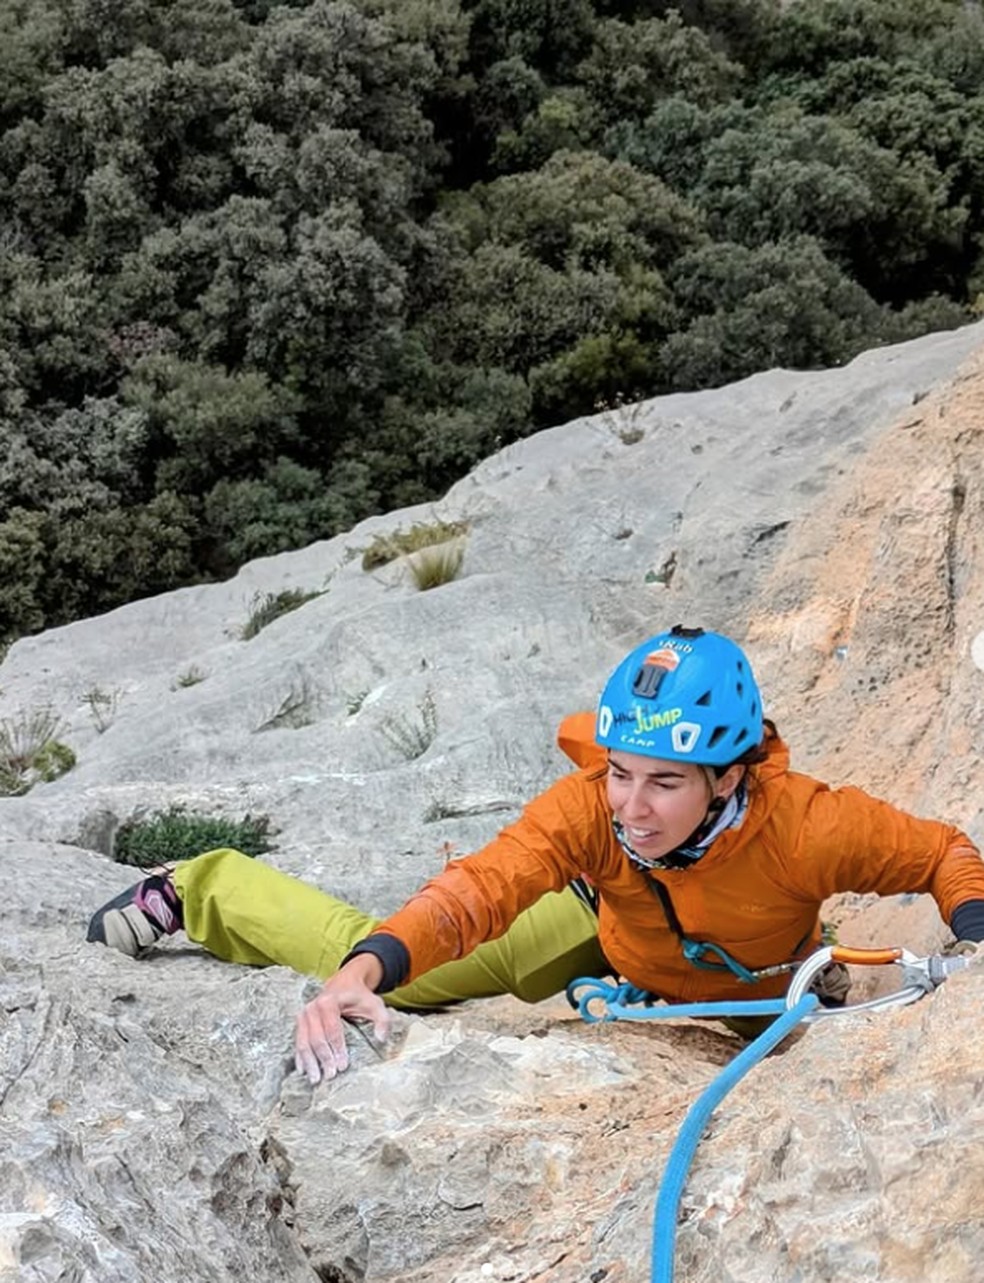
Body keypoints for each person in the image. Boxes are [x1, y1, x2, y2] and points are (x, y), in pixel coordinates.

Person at [87, 626, 984, 1086]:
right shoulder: (594, 810)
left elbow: (943, 851)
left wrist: (974, 932)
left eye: (663, 784)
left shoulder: (809, 827)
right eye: (619, 773)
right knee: (399, 974)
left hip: (744, 965)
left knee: (796, 1038)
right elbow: (483, 884)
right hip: (605, 921)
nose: (631, 808)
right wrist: (367, 967)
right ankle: (203, 886)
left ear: (727, 775)